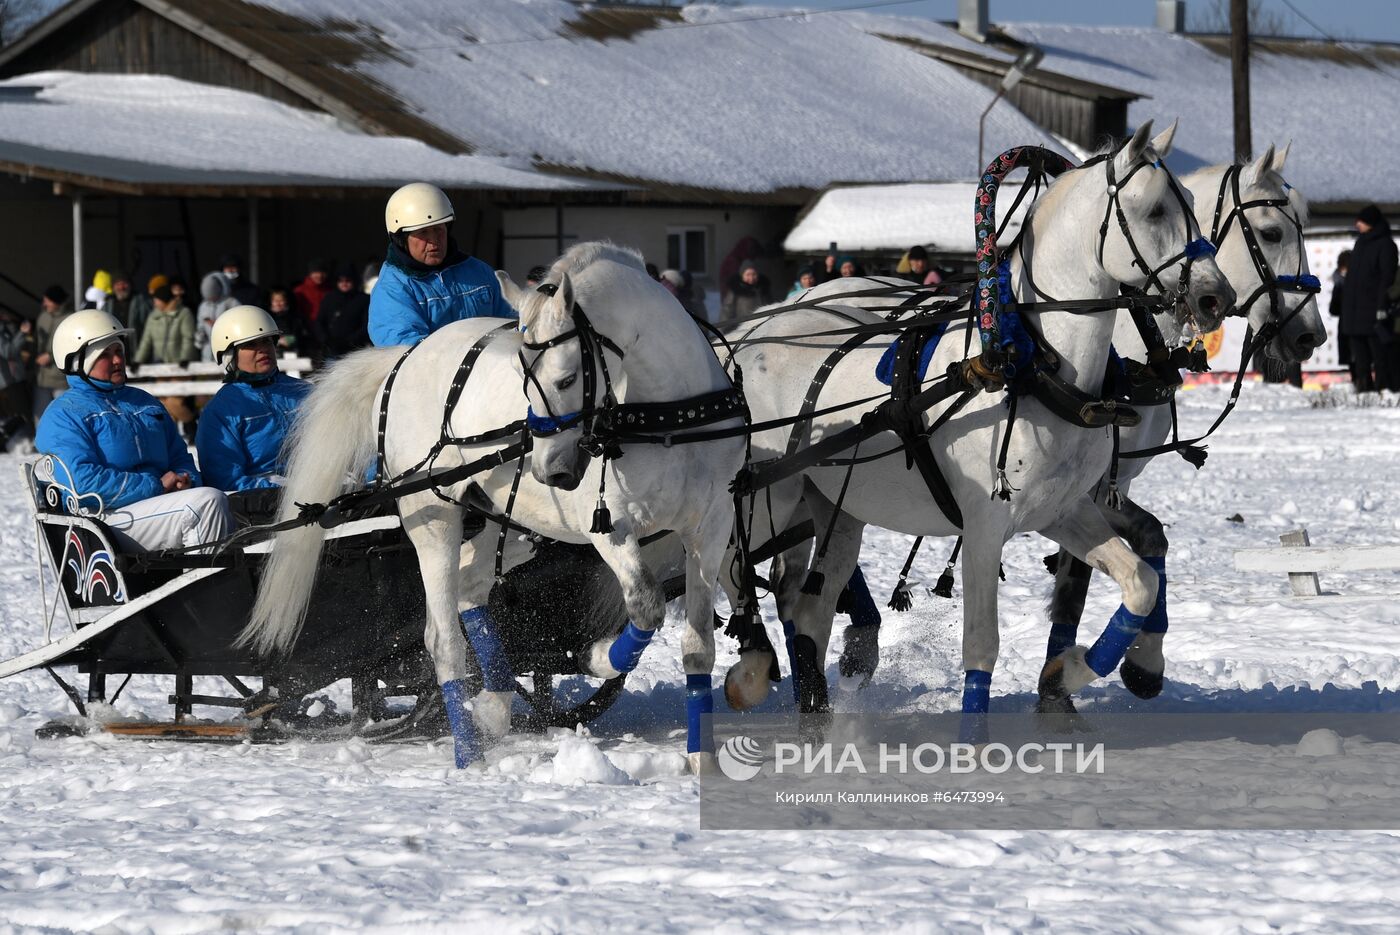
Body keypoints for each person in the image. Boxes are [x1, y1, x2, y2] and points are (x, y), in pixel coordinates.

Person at [34, 310, 233, 552]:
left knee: (221, 502)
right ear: (78, 361)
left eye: (119, 351)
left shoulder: (145, 402)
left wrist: (185, 479)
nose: (118, 360)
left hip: (158, 507)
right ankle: (211, 588)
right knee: (205, 504)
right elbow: (81, 483)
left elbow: (179, 456)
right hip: (104, 519)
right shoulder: (63, 414)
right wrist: (156, 485)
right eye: (105, 354)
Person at [369, 182, 514, 347]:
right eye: (423, 232)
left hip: (488, 369)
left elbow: (512, 324)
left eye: (439, 230)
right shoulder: (393, 288)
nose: (434, 241)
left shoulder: (479, 272)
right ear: (401, 239)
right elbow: (404, 349)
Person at [196, 305, 311, 493]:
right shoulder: (221, 412)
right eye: (251, 345)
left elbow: (346, 445)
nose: (263, 350)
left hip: (324, 486)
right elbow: (226, 479)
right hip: (266, 502)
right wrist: (284, 492)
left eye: (266, 341)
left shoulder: (304, 391)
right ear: (229, 355)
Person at [1340, 205, 1399, 392]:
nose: (1357, 224)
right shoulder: (1360, 243)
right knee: (1360, 359)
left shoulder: (1386, 245)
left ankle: (1384, 390)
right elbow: (1352, 281)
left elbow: (1387, 279)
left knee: (1380, 357)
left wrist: (1382, 306)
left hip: (1374, 312)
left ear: (1371, 222)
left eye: (1361, 221)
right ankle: (1365, 391)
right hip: (1355, 313)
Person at [32, 285, 73, 422]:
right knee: (41, 417)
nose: (44, 304)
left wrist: (51, 357)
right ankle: (40, 443)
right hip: (42, 378)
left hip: (61, 378)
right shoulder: (43, 317)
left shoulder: (70, 318)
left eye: (47, 300)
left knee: (64, 416)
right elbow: (37, 344)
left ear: (56, 301)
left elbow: (73, 346)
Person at [315, 263, 371, 358]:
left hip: (355, 349)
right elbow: (319, 321)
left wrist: (350, 341)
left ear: (354, 281)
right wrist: (325, 339)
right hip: (331, 349)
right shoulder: (329, 298)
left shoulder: (364, 299)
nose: (344, 283)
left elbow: (367, 325)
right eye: (340, 281)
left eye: (348, 280)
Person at [135, 284, 196, 364]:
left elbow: (188, 338)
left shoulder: (183, 313)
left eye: (156, 300)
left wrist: (185, 358)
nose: (154, 303)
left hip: (180, 366)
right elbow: (146, 341)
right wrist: (138, 361)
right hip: (160, 366)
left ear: (163, 300)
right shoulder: (153, 317)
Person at [194, 272, 238, 363]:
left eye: (213, 297)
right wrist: (200, 335)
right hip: (207, 354)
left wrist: (219, 325)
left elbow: (238, 324)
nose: (211, 300)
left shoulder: (231, 303)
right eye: (208, 298)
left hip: (227, 352)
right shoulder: (203, 306)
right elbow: (200, 325)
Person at [293, 259, 333, 346]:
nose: (319, 275)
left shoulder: (330, 290)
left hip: (326, 332)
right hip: (307, 331)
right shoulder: (300, 291)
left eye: (322, 272)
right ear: (310, 273)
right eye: (316, 272)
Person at [719, 260, 771, 324]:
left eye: (754, 274)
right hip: (742, 329)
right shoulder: (736, 290)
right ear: (742, 275)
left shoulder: (763, 289)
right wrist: (723, 328)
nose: (751, 278)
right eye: (748, 275)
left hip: (761, 328)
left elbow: (770, 307)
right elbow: (726, 311)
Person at [1329, 250, 1351, 369]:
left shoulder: (1339, 284)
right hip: (1349, 326)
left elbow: (1333, 309)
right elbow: (1333, 309)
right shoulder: (1339, 283)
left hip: (1347, 326)